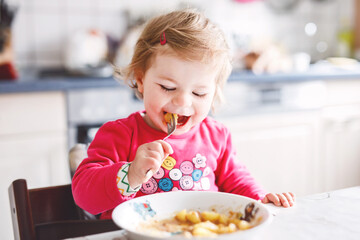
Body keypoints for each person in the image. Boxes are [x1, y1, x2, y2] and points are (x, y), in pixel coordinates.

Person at [72, 9, 295, 219]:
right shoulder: (119, 134)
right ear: (141, 80)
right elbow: (84, 197)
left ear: (214, 93)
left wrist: (260, 200)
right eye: (168, 88)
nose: (182, 101)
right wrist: (130, 174)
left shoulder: (216, 136)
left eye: (199, 93)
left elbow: (238, 182)